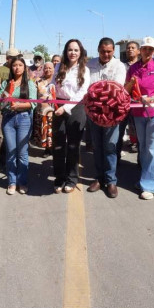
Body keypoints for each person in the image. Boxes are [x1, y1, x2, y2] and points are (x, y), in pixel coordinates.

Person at [125, 37, 154, 200]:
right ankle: (146, 179)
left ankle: (151, 185)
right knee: (143, 147)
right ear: (140, 50)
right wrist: (131, 82)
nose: (147, 51)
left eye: (150, 49)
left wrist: (152, 98)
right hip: (138, 113)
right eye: (145, 48)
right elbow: (126, 89)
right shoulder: (133, 68)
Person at [86, 37, 127, 198]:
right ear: (98, 50)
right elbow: (86, 86)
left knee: (110, 146)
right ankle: (99, 178)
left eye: (109, 51)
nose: (106, 54)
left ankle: (111, 181)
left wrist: (97, 91)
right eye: (103, 51)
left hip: (112, 113)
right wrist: (97, 92)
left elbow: (116, 89)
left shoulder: (119, 66)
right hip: (94, 112)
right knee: (97, 146)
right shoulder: (90, 65)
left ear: (113, 51)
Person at [52, 39, 91, 193]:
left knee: (74, 145)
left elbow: (82, 92)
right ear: (65, 51)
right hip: (58, 105)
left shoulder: (84, 70)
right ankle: (59, 178)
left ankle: (72, 179)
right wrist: (47, 90)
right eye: (70, 50)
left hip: (76, 107)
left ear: (80, 52)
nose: (73, 53)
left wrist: (66, 108)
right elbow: (53, 84)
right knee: (58, 144)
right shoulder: (58, 66)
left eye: (76, 50)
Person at [0, 56, 37, 195]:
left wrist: (19, 105)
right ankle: (12, 182)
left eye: (20, 65)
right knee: (11, 152)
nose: (17, 68)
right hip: (8, 119)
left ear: (24, 67)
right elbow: (0, 103)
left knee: (22, 152)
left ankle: (22, 182)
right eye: (14, 65)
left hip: (24, 119)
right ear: (11, 67)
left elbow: (33, 103)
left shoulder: (30, 84)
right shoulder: (6, 83)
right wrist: (6, 95)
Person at [0, 48, 19, 168]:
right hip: (1, 107)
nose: (15, 60)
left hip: (16, 107)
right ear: (7, 58)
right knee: (1, 134)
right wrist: (9, 89)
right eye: (13, 58)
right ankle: (1, 159)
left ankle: (12, 159)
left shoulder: (20, 68)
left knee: (14, 135)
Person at [117, 41, 140, 158]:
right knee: (119, 131)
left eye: (133, 48)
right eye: (128, 48)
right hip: (123, 102)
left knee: (139, 131)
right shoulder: (121, 66)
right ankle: (116, 158)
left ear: (138, 51)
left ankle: (141, 160)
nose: (130, 50)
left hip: (138, 103)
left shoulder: (142, 66)